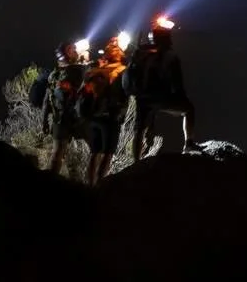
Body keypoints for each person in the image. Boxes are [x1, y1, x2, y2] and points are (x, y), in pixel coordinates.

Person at [126, 15, 194, 164]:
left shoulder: (140, 53)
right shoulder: (170, 55)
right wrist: (179, 96)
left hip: (142, 97)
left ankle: (135, 162)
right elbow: (177, 82)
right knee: (189, 110)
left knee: (139, 129)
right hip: (162, 97)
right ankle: (188, 144)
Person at [78, 34, 130, 184]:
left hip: (93, 116)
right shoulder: (121, 70)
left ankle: (89, 186)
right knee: (107, 154)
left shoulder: (96, 69)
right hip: (110, 117)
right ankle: (99, 188)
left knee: (95, 153)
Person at [43, 40, 90, 176]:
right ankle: (97, 186)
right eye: (72, 49)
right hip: (75, 119)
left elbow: (47, 100)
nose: (75, 51)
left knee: (57, 153)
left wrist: (44, 121)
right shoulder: (75, 70)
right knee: (97, 148)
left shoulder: (54, 74)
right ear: (66, 54)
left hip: (59, 119)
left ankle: (52, 181)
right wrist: (85, 63)